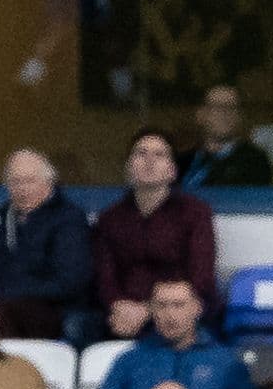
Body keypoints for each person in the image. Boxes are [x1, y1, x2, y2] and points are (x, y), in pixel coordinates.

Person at [90, 130, 217, 343]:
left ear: (172, 170)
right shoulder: (110, 219)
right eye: (141, 153)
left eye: (159, 155)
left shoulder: (195, 214)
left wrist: (149, 310)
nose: (149, 161)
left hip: (178, 309)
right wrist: (118, 306)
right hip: (122, 314)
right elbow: (104, 277)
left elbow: (201, 277)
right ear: (128, 166)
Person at [0, 149, 93, 341]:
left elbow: (71, 282)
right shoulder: (6, 220)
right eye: (15, 182)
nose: (22, 189)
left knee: (4, 315)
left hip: (53, 309)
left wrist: (12, 292)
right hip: (6, 303)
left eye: (29, 181)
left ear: (48, 183)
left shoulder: (69, 219)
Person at [96, 277, 254, 389]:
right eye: (161, 305)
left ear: (197, 308)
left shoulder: (226, 361)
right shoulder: (129, 359)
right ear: (151, 309)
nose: (170, 314)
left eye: (178, 305)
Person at [179, 84, 273, 189]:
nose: (224, 113)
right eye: (216, 107)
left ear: (239, 117)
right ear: (201, 114)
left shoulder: (254, 162)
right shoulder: (182, 161)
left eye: (231, 107)